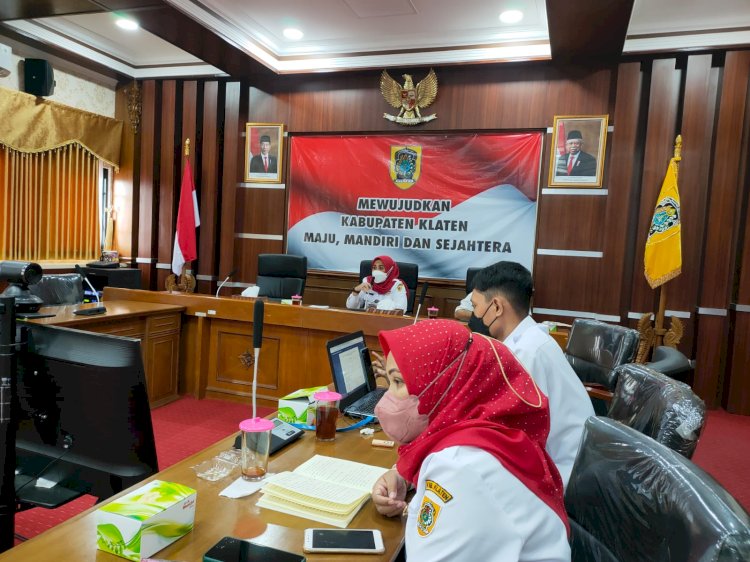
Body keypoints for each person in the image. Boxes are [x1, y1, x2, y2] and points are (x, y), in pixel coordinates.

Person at [371, 320, 570, 561]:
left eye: (398, 382)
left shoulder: (460, 467)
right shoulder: (484, 432)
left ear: (443, 385)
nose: (387, 399)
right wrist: (406, 479)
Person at [469, 261, 594, 487]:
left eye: (475, 306)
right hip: (562, 462)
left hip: (563, 474)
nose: (474, 315)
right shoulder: (530, 339)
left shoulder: (526, 354)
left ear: (496, 307)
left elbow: (507, 432)